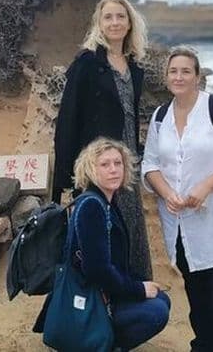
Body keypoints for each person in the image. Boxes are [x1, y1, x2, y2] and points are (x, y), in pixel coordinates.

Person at [142, 46, 213, 352]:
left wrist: (205, 187)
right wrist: (167, 193)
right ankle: (205, 346)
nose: (179, 77)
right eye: (173, 71)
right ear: (166, 77)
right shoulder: (160, 116)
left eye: (185, 71)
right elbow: (150, 165)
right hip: (181, 226)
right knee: (199, 298)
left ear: (197, 76)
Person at [53, 0, 153, 280]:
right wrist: (66, 177)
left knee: (130, 223)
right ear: (99, 23)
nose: (115, 22)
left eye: (121, 16)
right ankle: (106, 295)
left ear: (130, 23)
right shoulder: (86, 63)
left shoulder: (134, 66)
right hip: (98, 160)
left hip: (127, 159)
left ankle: (135, 285)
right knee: (102, 230)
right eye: (108, 17)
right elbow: (68, 120)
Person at [37, 138, 170, 351]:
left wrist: (139, 286)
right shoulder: (92, 206)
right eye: (105, 164)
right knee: (156, 311)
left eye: (118, 163)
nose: (113, 169)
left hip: (103, 292)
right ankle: (103, 345)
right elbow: (96, 270)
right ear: (91, 170)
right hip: (89, 297)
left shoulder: (105, 202)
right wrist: (138, 289)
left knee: (162, 300)